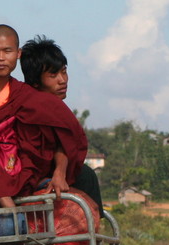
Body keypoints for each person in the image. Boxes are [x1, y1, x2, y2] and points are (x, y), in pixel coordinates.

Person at [0, 25, 87, 211]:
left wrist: (59, 172)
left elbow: (60, 135)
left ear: (18, 53)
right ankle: (12, 212)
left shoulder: (25, 95)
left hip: (15, 168)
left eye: (8, 51)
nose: (1, 58)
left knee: (86, 176)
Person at [19, 35, 104, 216]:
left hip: (50, 171)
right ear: (35, 82)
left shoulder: (53, 107)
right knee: (86, 176)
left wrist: (60, 172)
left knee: (86, 174)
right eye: (53, 75)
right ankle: (95, 230)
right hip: (26, 175)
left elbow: (63, 142)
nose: (62, 80)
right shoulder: (29, 103)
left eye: (64, 72)